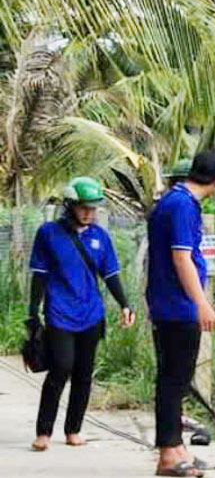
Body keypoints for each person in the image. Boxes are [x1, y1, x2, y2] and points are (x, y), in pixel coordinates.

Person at [28, 177, 135, 451]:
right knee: (60, 368)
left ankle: (73, 429)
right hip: (59, 313)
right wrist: (33, 313)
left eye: (93, 208)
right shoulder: (49, 233)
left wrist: (125, 304)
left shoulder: (101, 237)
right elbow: (39, 275)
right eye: (83, 207)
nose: (89, 212)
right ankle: (43, 432)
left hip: (91, 314)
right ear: (70, 205)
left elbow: (110, 275)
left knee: (84, 373)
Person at [145, 151, 215, 478]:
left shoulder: (174, 201)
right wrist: (202, 304)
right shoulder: (181, 206)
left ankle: (176, 445)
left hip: (171, 304)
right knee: (173, 379)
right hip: (177, 306)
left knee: (176, 378)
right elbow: (182, 259)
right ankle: (168, 452)